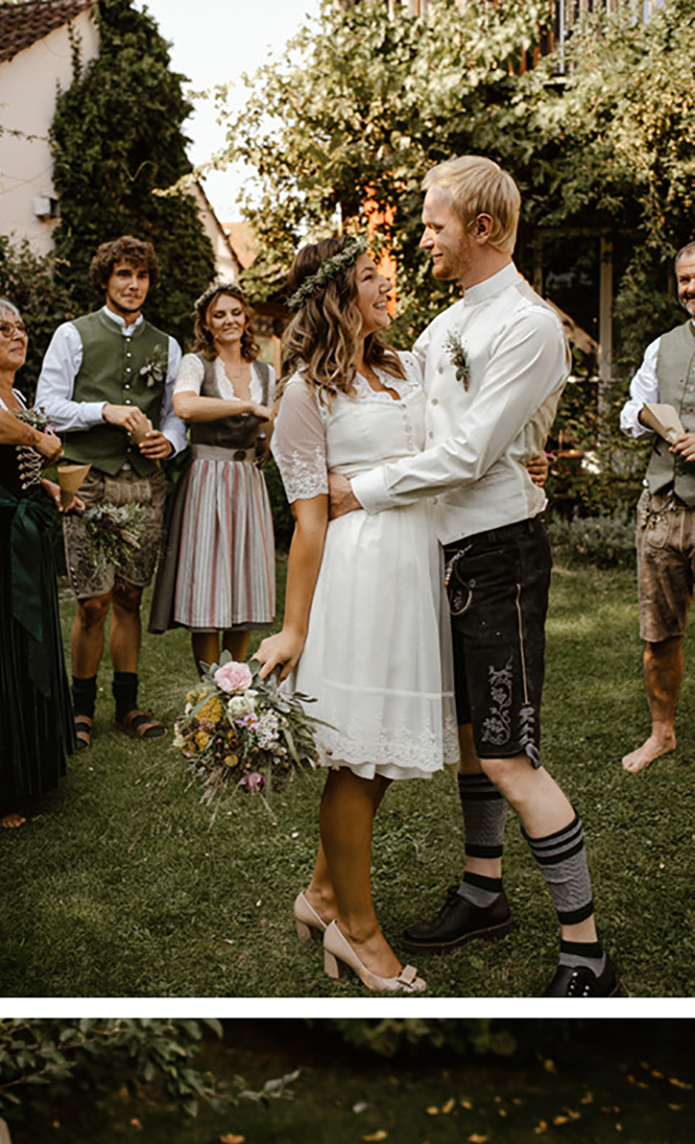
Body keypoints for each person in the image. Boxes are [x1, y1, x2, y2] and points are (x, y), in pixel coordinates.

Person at [328, 155, 620, 998]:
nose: (422, 238)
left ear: (481, 229)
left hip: (497, 554)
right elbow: (417, 425)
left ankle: (587, 952)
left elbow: (463, 454)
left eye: (433, 224)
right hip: (440, 548)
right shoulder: (443, 325)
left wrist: (361, 492)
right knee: (468, 739)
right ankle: (482, 890)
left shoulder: (527, 327)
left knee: (510, 755)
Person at [256, 238, 454, 996]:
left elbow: (452, 451)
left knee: (383, 752)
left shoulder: (407, 367)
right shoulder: (306, 395)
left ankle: (322, 895)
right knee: (359, 758)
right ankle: (357, 934)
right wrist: (294, 627)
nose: (386, 285)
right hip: (361, 577)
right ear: (338, 296)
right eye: (371, 277)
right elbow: (309, 523)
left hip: (416, 570)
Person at [35, 235, 186, 749]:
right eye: (124, 275)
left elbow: (174, 412)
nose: (133, 285)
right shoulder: (72, 335)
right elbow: (47, 407)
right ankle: (80, 711)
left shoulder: (167, 345)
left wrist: (173, 439)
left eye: (141, 276)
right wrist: (103, 410)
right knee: (92, 602)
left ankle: (127, 706)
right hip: (90, 480)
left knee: (128, 596)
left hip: (144, 483)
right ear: (106, 280)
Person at [0, 297, 78, 829]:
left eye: (20, 326)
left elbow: (12, 464)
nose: (17, 334)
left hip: (24, 531)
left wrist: (48, 484)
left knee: (26, 643)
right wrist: (39, 438)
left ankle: (23, 773)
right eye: (1, 328)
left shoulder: (17, 392)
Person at [151, 279, 277, 673]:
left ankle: (234, 681)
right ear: (206, 323)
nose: (229, 320)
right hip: (208, 477)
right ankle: (208, 687)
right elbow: (185, 407)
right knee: (207, 580)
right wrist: (245, 406)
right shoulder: (196, 364)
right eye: (219, 314)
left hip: (248, 478)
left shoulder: (266, 371)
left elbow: (270, 428)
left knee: (243, 579)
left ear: (246, 317)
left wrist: (268, 434)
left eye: (236, 313)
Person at [618, 242, 695, 773]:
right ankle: (661, 735)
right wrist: (652, 420)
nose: (690, 288)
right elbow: (630, 409)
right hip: (664, 510)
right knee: (659, 632)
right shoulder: (662, 346)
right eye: (684, 280)